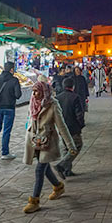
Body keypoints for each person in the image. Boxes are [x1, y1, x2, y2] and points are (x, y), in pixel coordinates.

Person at [23, 80, 78, 213]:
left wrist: (70, 145)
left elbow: (62, 126)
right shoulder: (33, 103)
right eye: (33, 91)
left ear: (44, 92)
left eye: (37, 91)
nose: (34, 94)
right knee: (45, 168)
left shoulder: (53, 105)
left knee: (39, 169)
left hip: (47, 143)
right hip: (34, 141)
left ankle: (34, 200)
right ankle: (58, 187)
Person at [0, 62, 22, 160]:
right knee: (6, 131)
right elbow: (18, 95)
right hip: (9, 108)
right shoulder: (14, 80)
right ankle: (5, 152)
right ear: (11, 70)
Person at [55, 77, 85, 177]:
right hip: (73, 127)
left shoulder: (58, 98)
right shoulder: (75, 97)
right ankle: (62, 165)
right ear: (73, 86)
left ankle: (67, 170)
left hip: (62, 126)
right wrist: (81, 125)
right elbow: (79, 114)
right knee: (76, 146)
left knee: (66, 147)